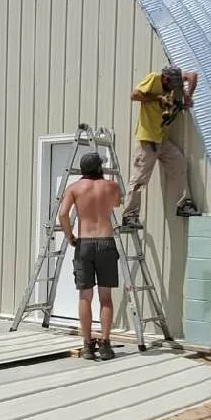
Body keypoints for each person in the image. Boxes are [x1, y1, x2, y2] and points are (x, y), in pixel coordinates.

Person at [57, 152, 122, 360]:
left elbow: (63, 213)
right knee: (106, 298)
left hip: (84, 243)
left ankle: (87, 345)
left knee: (85, 296)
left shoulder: (74, 188)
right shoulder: (111, 186)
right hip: (106, 242)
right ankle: (105, 343)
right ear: (99, 168)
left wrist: (69, 236)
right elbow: (118, 203)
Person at [121, 64, 200, 230]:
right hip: (148, 139)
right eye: (171, 84)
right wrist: (158, 99)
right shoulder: (154, 78)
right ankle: (130, 215)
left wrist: (187, 96)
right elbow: (134, 95)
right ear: (165, 78)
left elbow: (192, 75)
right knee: (140, 178)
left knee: (179, 165)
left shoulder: (176, 85)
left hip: (162, 140)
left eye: (176, 84)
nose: (173, 87)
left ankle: (183, 204)